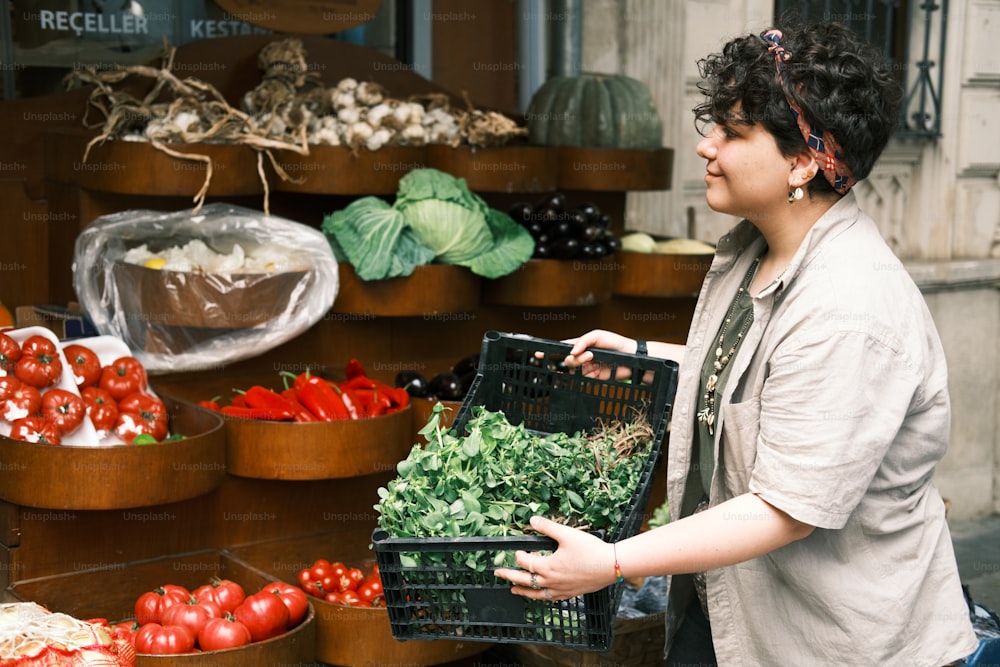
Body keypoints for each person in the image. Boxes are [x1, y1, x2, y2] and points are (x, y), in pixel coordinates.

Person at [494, 20, 980, 666]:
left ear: (805, 159)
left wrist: (611, 562)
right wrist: (647, 361)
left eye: (733, 130)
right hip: (732, 610)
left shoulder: (849, 305)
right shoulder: (755, 250)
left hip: (829, 643)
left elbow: (786, 509)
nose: (705, 146)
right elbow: (761, 383)